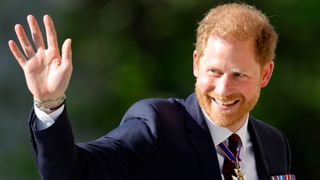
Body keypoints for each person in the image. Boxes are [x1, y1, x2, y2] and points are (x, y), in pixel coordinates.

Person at [8, 3, 295, 180]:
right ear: (196, 63)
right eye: (214, 72)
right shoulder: (156, 127)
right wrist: (49, 103)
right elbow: (72, 174)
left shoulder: (274, 143)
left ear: (265, 74)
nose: (223, 88)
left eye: (238, 75)